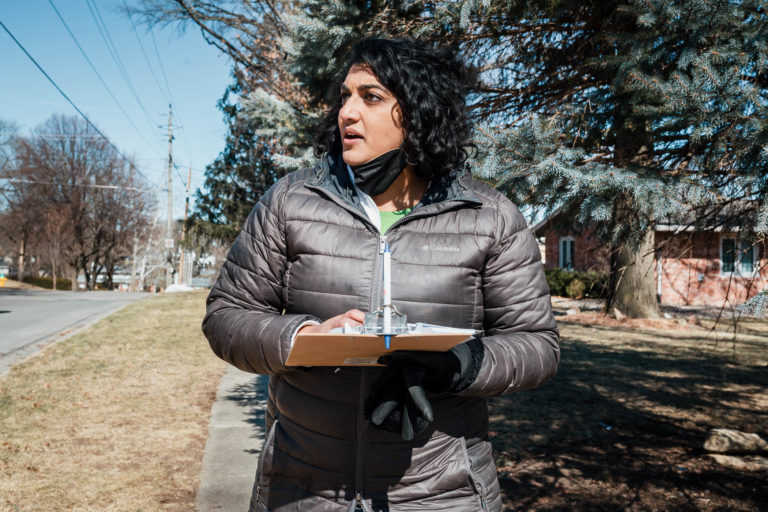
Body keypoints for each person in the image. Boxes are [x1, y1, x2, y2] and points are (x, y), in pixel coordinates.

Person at [203, 37, 559, 512]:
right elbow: (226, 316)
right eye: (344, 97)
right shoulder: (291, 201)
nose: (347, 113)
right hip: (304, 486)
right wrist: (304, 336)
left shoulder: (488, 216)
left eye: (371, 97)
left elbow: (537, 344)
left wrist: (460, 365)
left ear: (418, 111)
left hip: (440, 493)